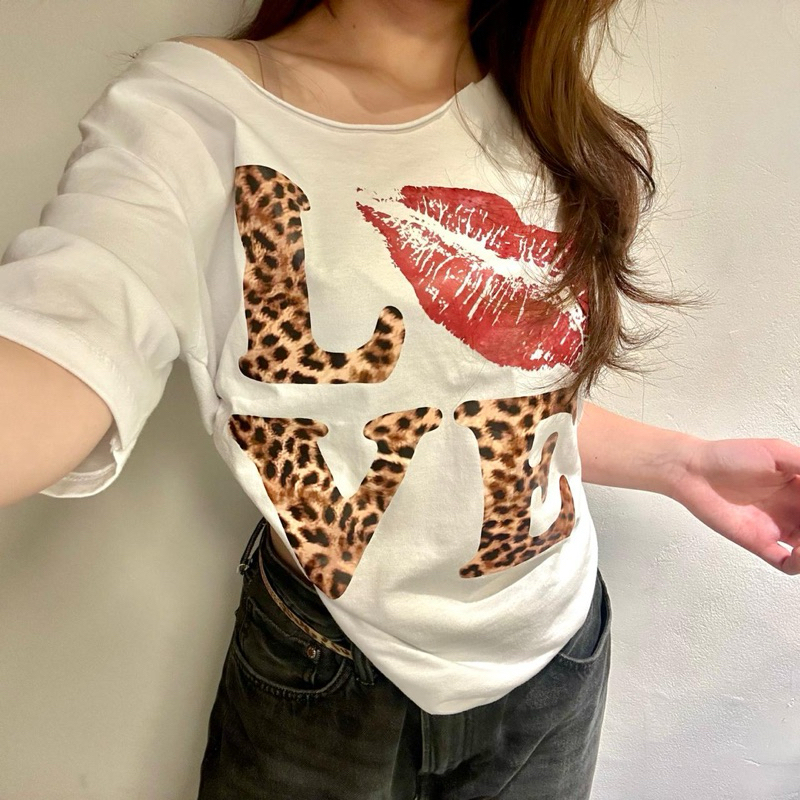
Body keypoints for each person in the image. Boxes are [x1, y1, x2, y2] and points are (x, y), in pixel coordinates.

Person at [1, 1, 798, 798]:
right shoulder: (193, 111)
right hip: (325, 667)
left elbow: (485, 400)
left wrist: (681, 464)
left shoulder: (542, 112)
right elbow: (71, 327)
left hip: (558, 655)